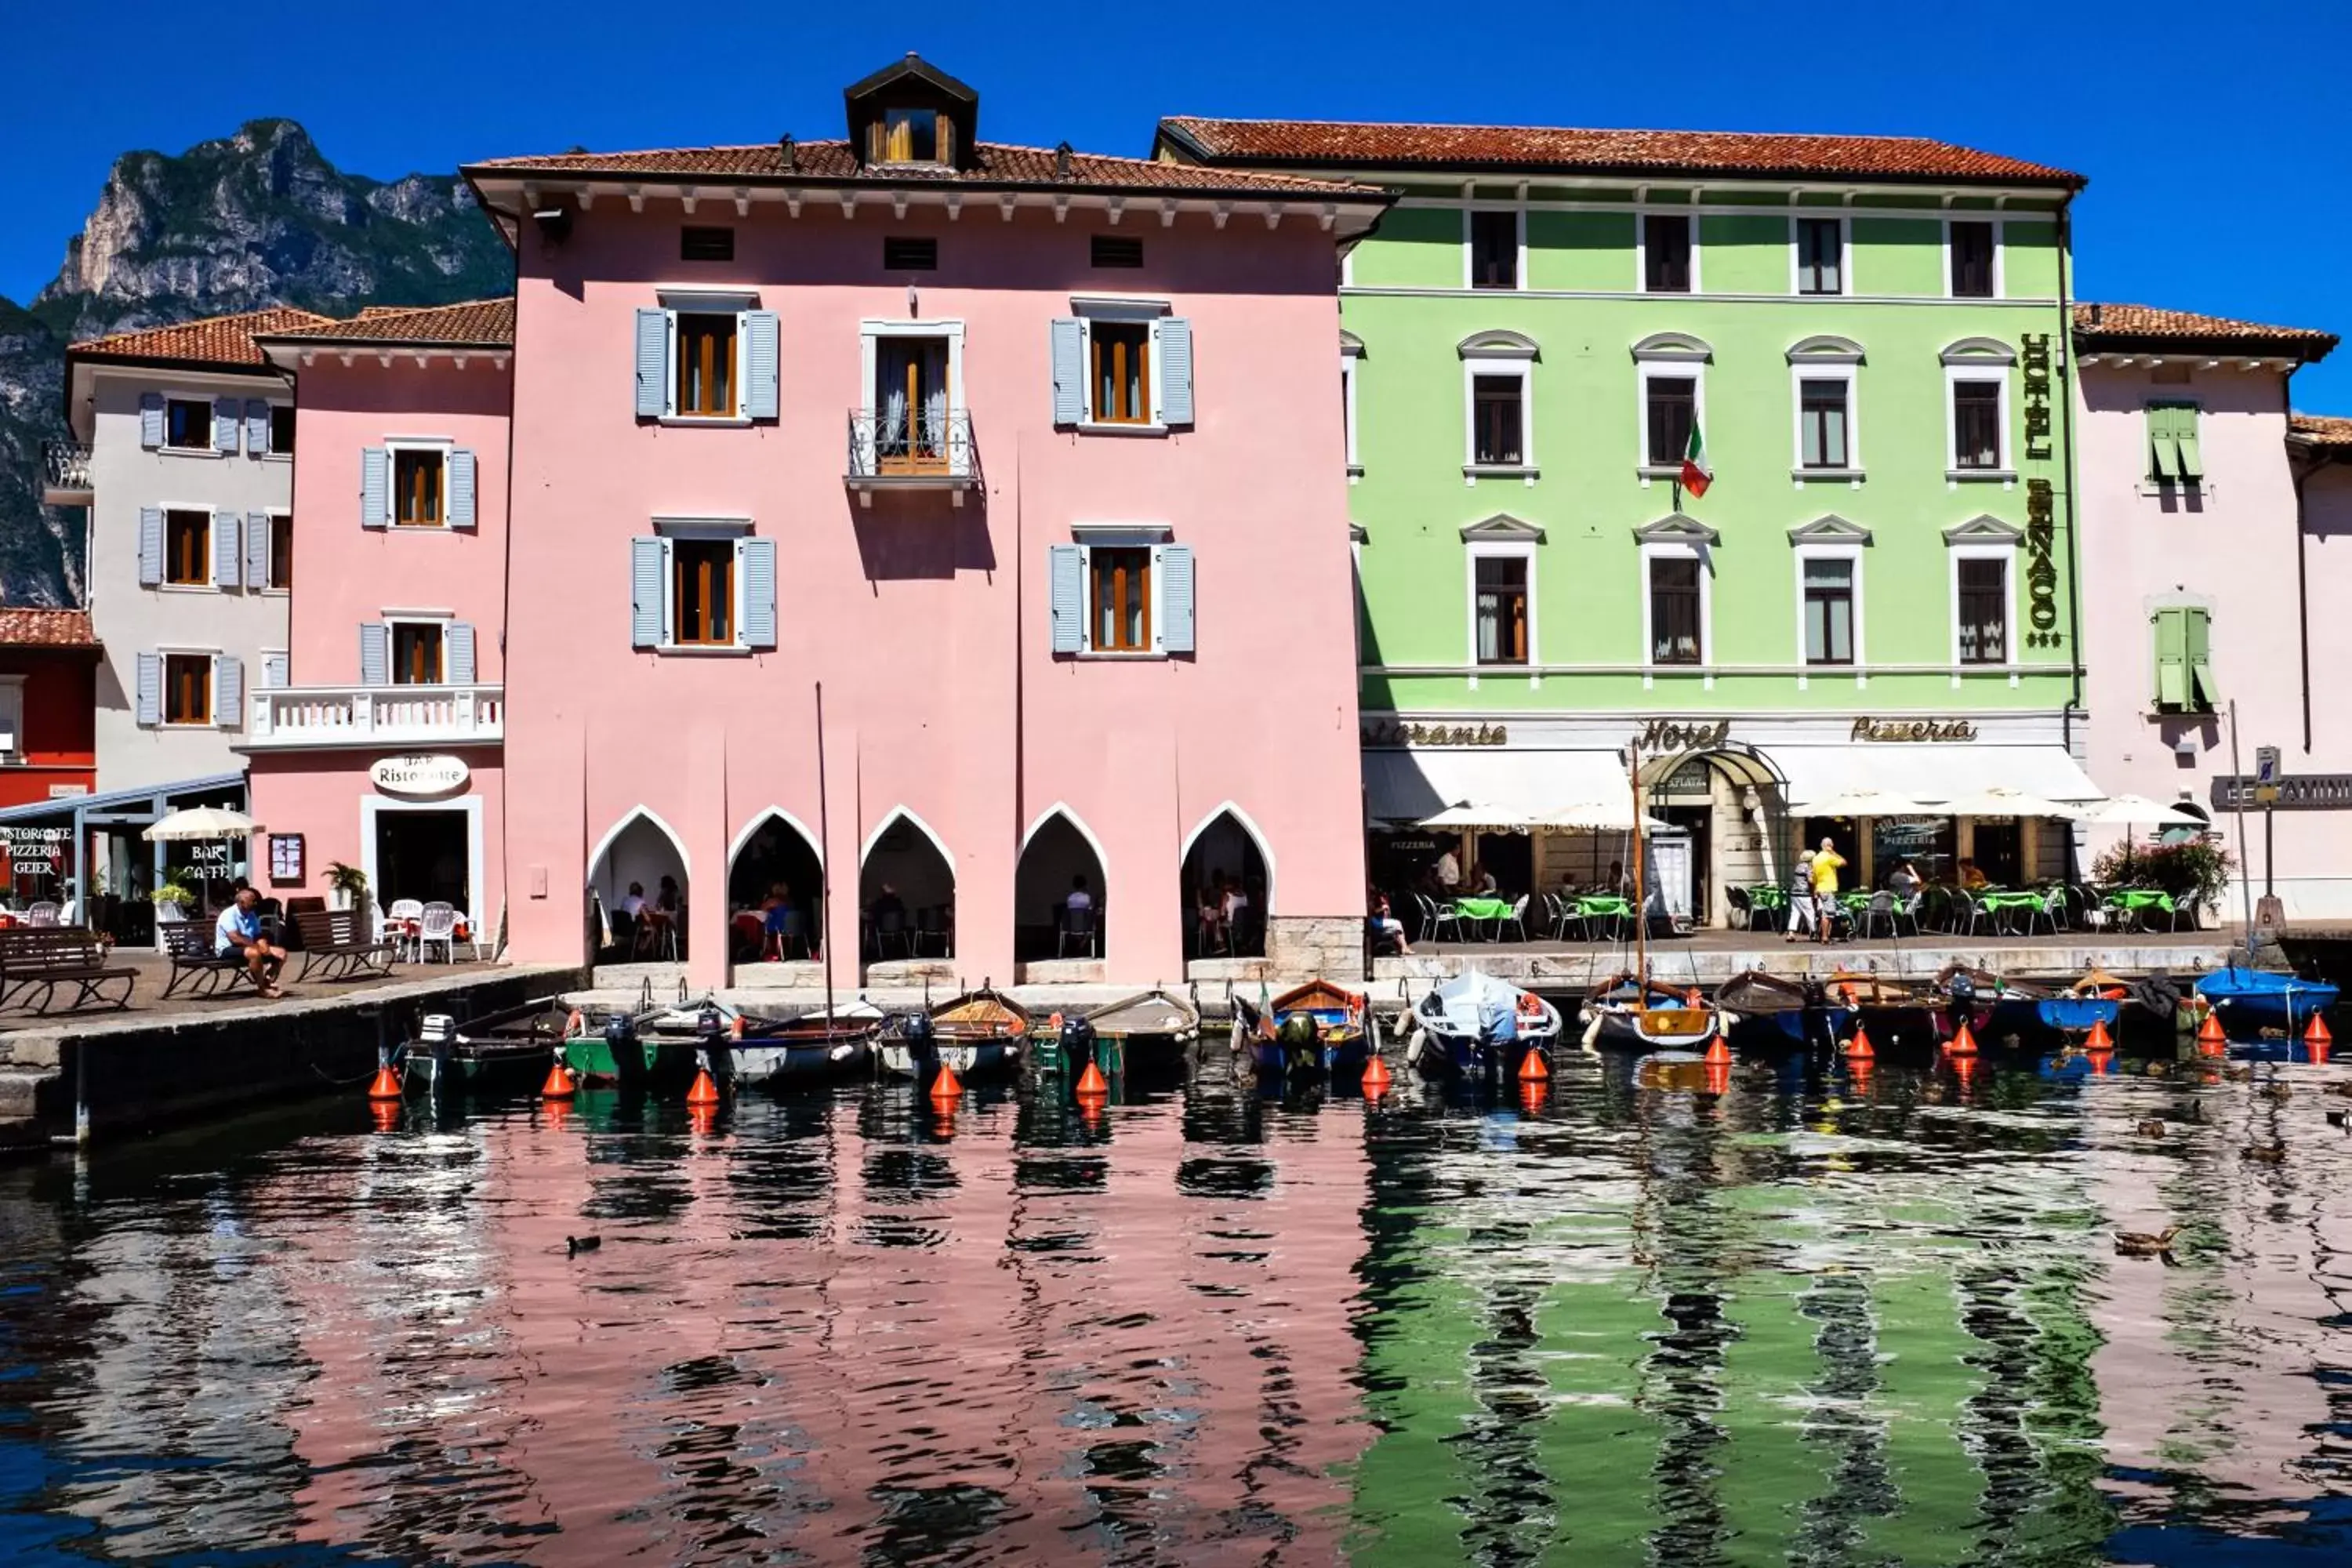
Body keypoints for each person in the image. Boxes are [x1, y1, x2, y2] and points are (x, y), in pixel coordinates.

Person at [216, 886, 286, 997]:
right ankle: (262, 989)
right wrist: (257, 947)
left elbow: (258, 934)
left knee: (281, 953)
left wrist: (263, 943)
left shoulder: (251, 914)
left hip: (249, 946)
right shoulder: (228, 915)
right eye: (253, 901)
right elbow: (235, 938)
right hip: (227, 949)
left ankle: (267, 980)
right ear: (242, 902)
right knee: (254, 953)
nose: (255, 904)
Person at [1810, 837, 1847, 944]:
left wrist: (1815, 889)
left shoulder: (1816, 858)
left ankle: (1825, 936)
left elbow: (1814, 877)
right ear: (1829, 846)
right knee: (1828, 914)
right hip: (1828, 888)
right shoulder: (1829, 857)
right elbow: (1844, 862)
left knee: (1825, 913)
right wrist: (1834, 852)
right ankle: (1825, 937)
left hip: (1821, 888)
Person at [1785, 850, 1817, 942]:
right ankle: (1814, 932)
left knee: (1795, 913)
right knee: (1810, 913)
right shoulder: (1808, 867)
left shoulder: (1798, 866)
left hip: (1794, 893)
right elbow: (1811, 880)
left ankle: (1791, 933)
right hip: (1804, 893)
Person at [1369, 889, 1412, 956]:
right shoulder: (1371, 902)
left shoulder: (1379, 902)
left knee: (1398, 929)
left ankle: (1404, 947)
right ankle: (1404, 948)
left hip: (1380, 924)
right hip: (1377, 924)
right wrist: (1382, 908)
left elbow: (1385, 916)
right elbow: (1374, 911)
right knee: (1398, 923)